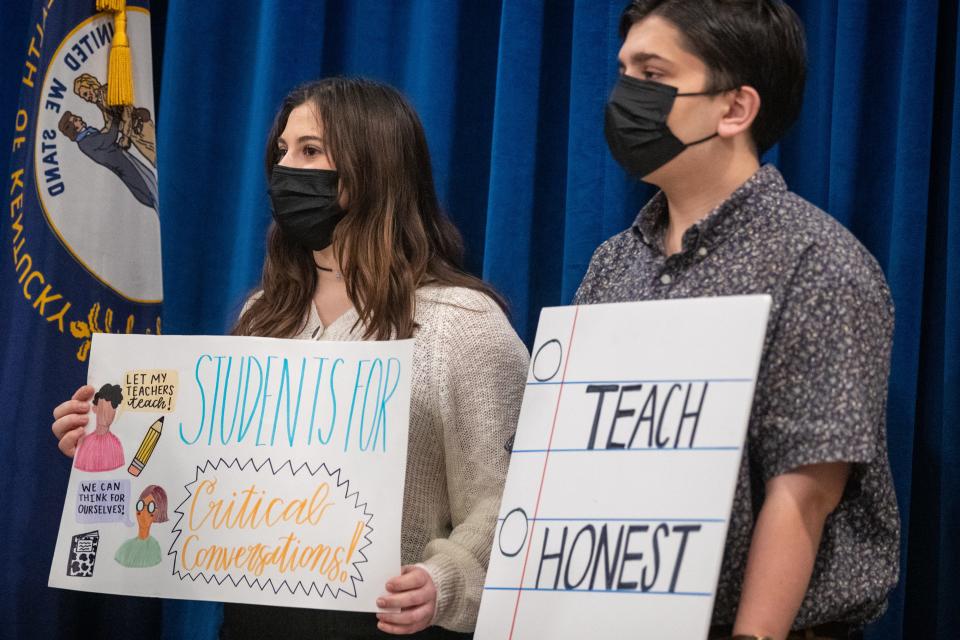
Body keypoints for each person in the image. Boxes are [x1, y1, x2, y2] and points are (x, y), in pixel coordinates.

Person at [52, 77, 529, 638]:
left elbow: (510, 500)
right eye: (281, 151)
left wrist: (444, 579)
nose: (285, 169)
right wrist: (107, 439)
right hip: (252, 622)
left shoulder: (462, 324)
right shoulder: (263, 314)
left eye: (310, 151)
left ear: (373, 166)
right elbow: (201, 482)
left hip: (390, 626)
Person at [576, 2, 899, 639]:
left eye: (652, 73)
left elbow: (805, 492)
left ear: (734, 109)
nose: (625, 96)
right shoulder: (613, 264)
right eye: (623, 72)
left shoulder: (819, 263)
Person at [58, 110, 159, 211]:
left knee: (148, 178)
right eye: (75, 120)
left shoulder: (86, 135)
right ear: (74, 128)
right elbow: (109, 138)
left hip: (122, 158)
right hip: (123, 165)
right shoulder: (86, 142)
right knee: (146, 185)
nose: (79, 118)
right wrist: (115, 120)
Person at [73, 383, 125, 472]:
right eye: (102, 408)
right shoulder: (85, 444)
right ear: (95, 409)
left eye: (112, 409)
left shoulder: (116, 445)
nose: (106, 414)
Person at [114, 484, 169, 568]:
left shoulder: (154, 548)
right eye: (140, 505)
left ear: (158, 512)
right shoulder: (125, 547)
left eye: (150, 507)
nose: (143, 512)